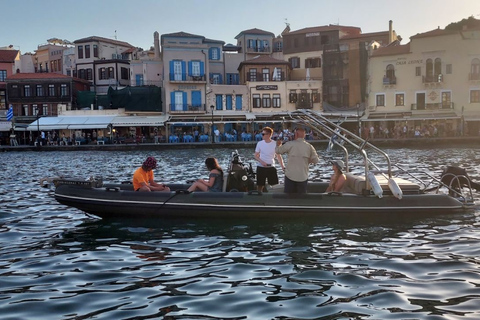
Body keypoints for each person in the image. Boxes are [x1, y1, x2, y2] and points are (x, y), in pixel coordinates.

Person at [275, 127, 319, 193]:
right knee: (301, 198)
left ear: (296, 134)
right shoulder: (309, 147)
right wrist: (309, 160)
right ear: (304, 135)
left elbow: (278, 151)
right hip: (303, 177)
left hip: (290, 176)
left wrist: (278, 144)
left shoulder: (290, 144)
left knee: (288, 197)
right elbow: (316, 160)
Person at [254, 126, 284, 192]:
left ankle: (274, 200)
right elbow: (256, 156)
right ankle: (259, 199)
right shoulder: (260, 143)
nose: (262, 135)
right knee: (260, 185)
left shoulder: (275, 144)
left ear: (269, 135)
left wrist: (282, 167)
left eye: (263, 134)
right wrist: (262, 162)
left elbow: (278, 156)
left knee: (275, 185)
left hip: (271, 167)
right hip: (261, 167)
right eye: (262, 134)